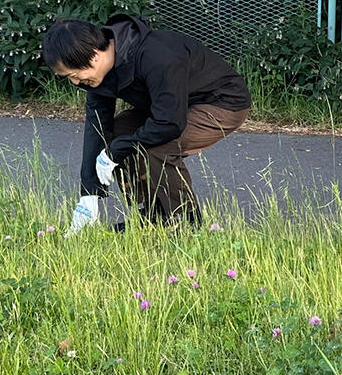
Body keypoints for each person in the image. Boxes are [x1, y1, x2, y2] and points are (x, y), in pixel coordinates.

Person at [42, 14, 251, 228]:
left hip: (221, 102)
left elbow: (169, 124)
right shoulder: (97, 75)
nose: (76, 82)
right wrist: (89, 193)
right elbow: (97, 126)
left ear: (94, 55)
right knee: (119, 132)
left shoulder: (156, 56)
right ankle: (155, 214)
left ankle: (185, 221)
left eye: (74, 75)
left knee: (156, 146)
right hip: (168, 107)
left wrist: (115, 151)